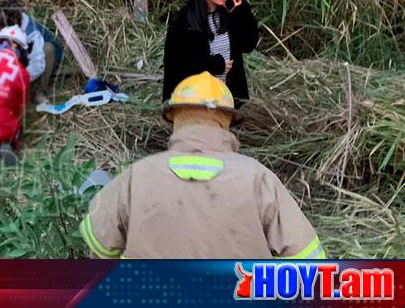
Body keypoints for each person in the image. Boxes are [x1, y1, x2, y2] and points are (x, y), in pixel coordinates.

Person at [81, 72, 325, 259]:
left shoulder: (137, 175)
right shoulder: (257, 178)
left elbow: (99, 246)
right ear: (227, 120)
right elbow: (307, 258)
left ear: (174, 117)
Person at [163, 0, 258, 107]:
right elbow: (176, 66)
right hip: (193, 99)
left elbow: (248, 45)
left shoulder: (228, 13)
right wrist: (215, 65)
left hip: (227, 97)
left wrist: (243, 12)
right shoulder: (184, 21)